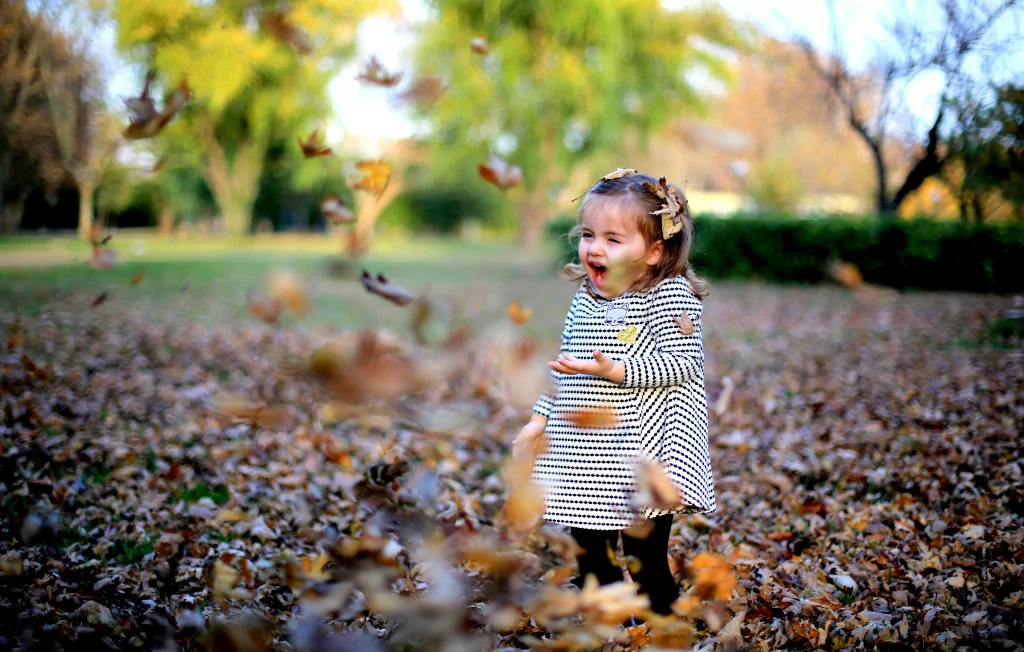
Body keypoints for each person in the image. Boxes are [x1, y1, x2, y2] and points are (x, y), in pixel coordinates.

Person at [512, 168, 717, 621]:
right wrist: (539, 418)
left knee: (645, 564)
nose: (595, 248)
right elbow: (566, 368)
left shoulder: (669, 295)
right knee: (592, 561)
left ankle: (663, 629)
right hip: (586, 460)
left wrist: (618, 369)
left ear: (654, 251)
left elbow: (685, 364)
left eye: (613, 238)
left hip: (644, 458)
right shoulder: (587, 297)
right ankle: (614, 630)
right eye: (588, 235)